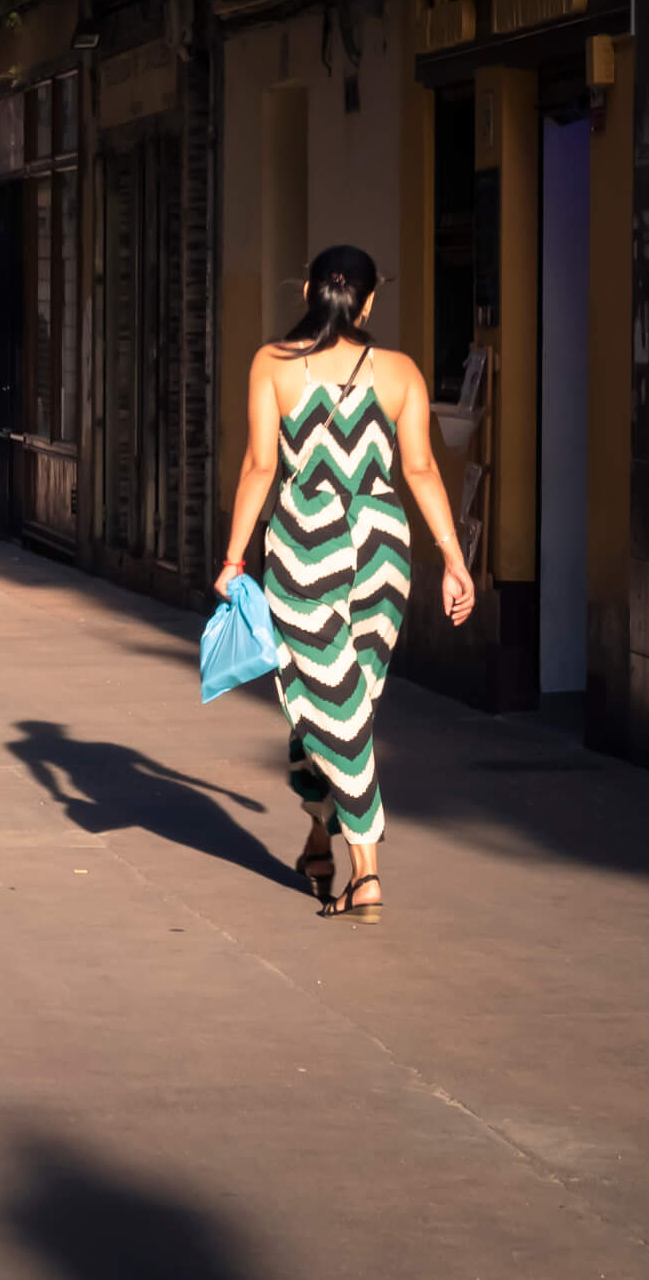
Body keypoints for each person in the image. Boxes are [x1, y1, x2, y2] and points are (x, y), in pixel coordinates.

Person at [216, 245, 474, 922]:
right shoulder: (400, 372)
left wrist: (234, 555)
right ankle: (316, 838)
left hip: (306, 544)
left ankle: (366, 868)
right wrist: (453, 557)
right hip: (383, 547)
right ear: (368, 301)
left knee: (327, 698)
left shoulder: (274, 364)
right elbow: (419, 469)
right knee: (340, 697)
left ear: (307, 290)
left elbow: (258, 466)